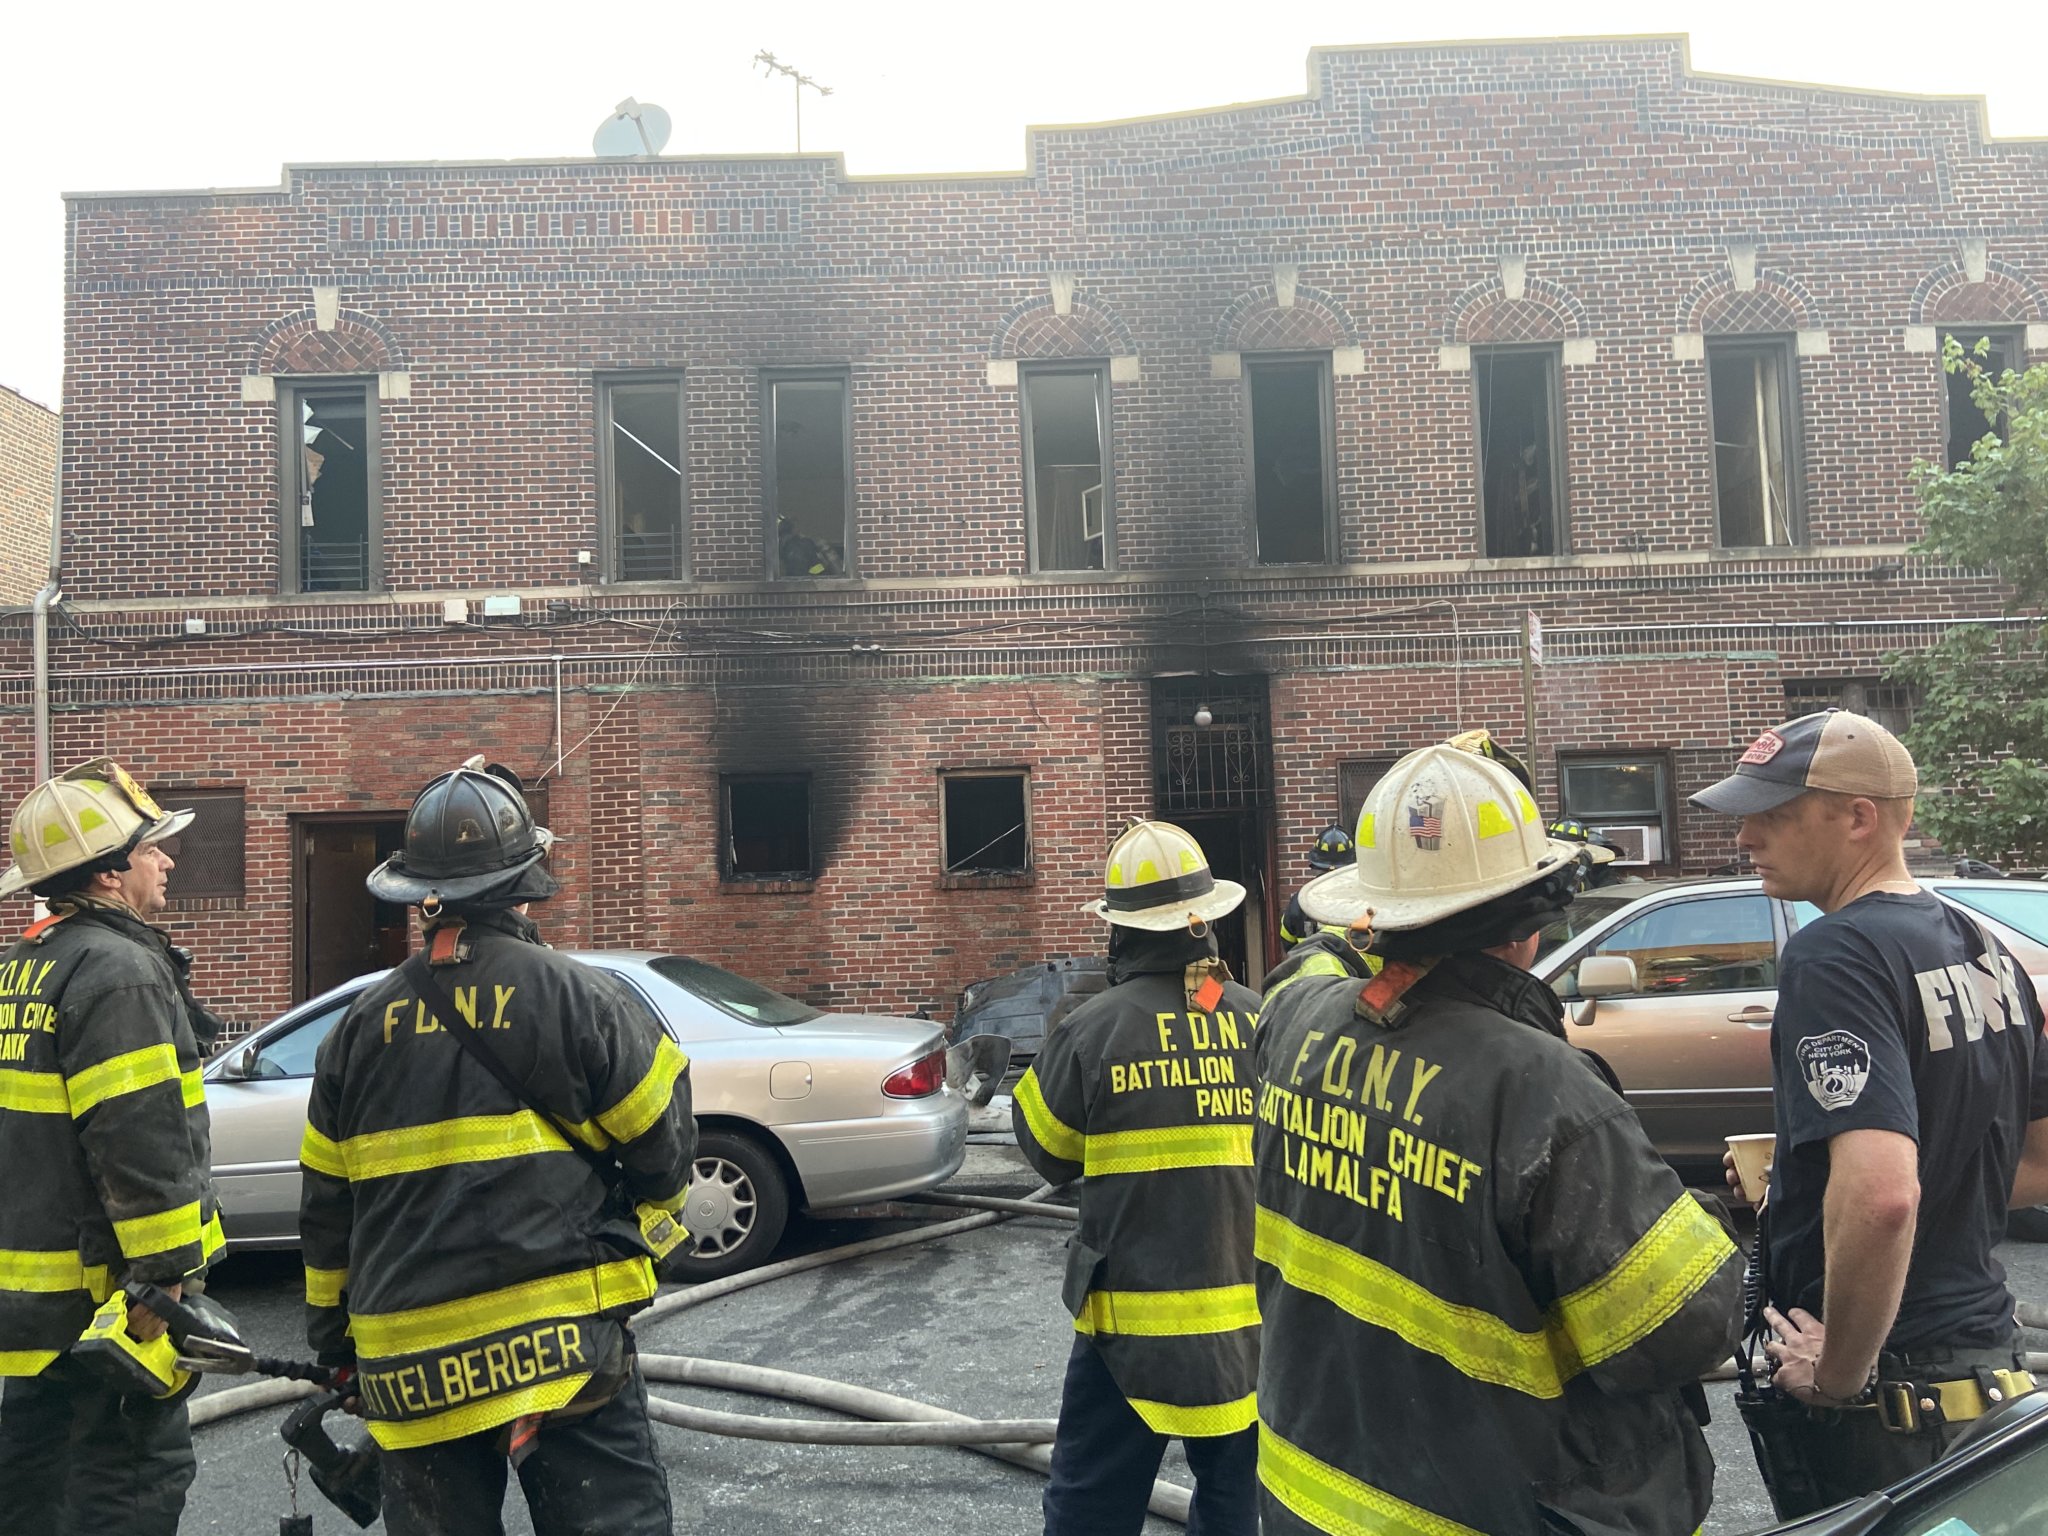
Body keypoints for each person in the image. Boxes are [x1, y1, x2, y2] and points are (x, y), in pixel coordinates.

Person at [1254, 743, 1743, 1536]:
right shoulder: (1542, 1088)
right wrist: (1717, 1219)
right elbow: (1677, 1331)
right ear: (1528, 919)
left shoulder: (1294, 1019)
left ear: (1373, 914)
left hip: (1304, 1488)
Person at [301, 758, 695, 1536]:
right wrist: (649, 1241)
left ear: (416, 896)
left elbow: (326, 1211)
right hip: (562, 1357)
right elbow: (665, 1153)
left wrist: (334, 1348)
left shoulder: (354, 1030)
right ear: (522, 883)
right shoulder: (583, 998)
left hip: (409, 1373)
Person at [1691, 708, 2048, 1516]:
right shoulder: (1986, 949)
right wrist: (1808, 1180)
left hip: (1884, 1402)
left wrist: (1839, 1374)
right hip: (1985, 1372)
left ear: (1859, 818)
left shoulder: (1834, 955)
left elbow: (1884, 1198)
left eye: (1772, 816)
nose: (1746, 839)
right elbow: (2032, 1163)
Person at [1013, 820, 1261, 1536]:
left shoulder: (1090, 1029)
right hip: (1250, 1328)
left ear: (1119, 931)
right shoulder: (1258, 1020)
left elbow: (1047, 1151)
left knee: (1091, 1507)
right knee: (1236, 1504)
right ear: (1207, 919)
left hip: (1128, 1335)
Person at [0, 759, 224, 1536]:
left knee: (35, 1497)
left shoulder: (22, 967)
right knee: (124, 1493)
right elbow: (142, 1148)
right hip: (105, 1319)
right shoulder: (119, 973)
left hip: (27, 1324)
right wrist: (163, 1291)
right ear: (105, 876)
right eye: (150, 847)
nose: (166, 860)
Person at [1278, 823, 1355, 948]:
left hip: (1311, 965)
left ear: (1317, 864)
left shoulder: (1300, 901)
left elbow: (1287, 940)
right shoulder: (1364, 901)